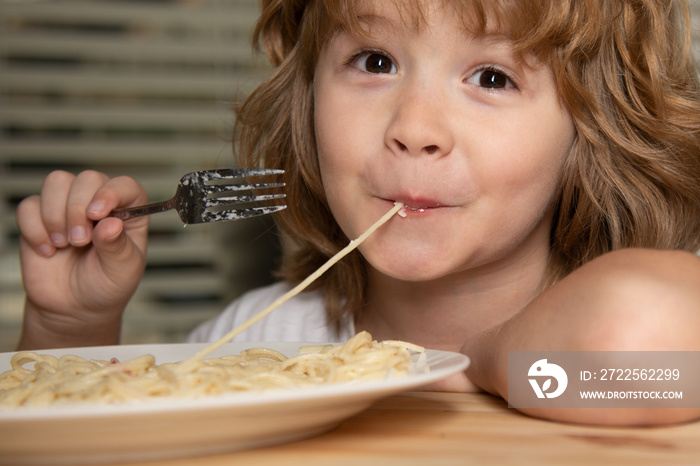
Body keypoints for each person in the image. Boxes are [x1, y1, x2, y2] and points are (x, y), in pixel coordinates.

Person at [14, 0, 700, 426]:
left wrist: (476, 364)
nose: (414, 126)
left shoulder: (622, 348)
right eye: (374, 61)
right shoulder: (258, 341)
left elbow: (657, 352)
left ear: (596, 131)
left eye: (492, 77)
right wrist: (71, 330)